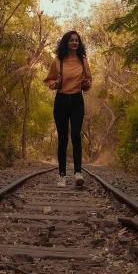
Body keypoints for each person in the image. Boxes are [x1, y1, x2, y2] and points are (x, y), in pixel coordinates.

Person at [44, 30, 92, 188]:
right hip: (61, 100)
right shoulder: (58, 60)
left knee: (77, 135)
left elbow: (88, 83)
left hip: (77, 100)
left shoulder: (83, 61)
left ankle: (78, 172)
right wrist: (55, 84)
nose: (74, 43)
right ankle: (62, 175)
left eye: (76, 40)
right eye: (71, 40)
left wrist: (87, 84)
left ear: (79, 43)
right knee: (63, 138)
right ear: (66, 42)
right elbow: (49, 80)